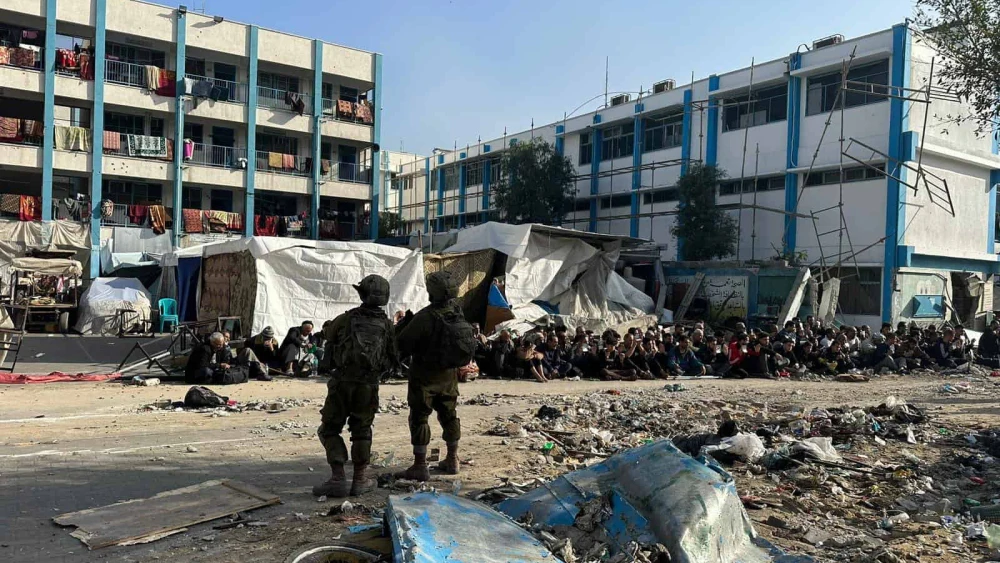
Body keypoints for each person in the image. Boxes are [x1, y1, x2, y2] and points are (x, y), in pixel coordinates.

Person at [314, 275, 398, 498]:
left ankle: (338, 478)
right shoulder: (387, 325)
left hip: (342, 382)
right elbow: (393, 356)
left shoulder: (346, 318)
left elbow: (328, 335)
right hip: (368, 385)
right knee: (362, 431)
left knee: (329, 429)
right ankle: (360, 479)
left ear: (362, 294)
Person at [396, 271, 474, 481]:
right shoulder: (457, 313)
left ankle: (420, 465)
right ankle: (452, 459)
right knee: (449, 416)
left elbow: (403, 344)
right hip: (449, 376)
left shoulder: (426, 316)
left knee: (419, 418)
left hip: (424, 376)